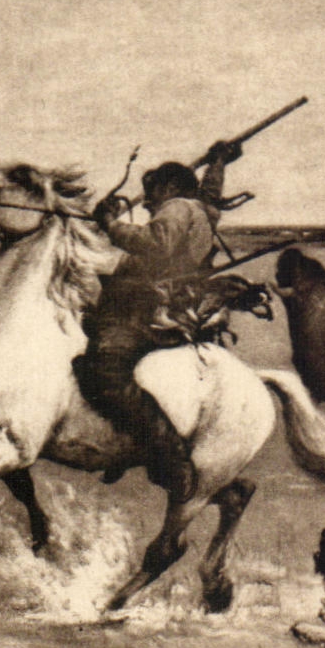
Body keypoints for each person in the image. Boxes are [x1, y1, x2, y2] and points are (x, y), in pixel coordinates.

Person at [73, 152, 231, 468]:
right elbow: (210, 196)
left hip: (145, 306)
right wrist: (218, 164)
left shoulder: (178, 207)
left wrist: (111, 225)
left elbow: (158, 244)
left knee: (105, 369)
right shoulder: (203, 211)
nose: (146, 203)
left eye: (153, 192)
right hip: (172, 303)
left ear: (171, 187)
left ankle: (162, 446)